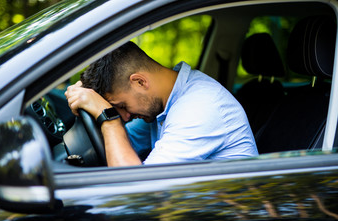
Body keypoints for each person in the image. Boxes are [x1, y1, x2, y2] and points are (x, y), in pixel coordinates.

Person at [65, 41, 258, 167]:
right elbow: (121, 142)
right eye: (117, 110)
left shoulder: (200, 108)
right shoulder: (165, 102)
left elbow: (136, 190)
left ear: (140, 82)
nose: (125, 117)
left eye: (122, 106)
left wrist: (108, 117)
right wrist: (86, 98)